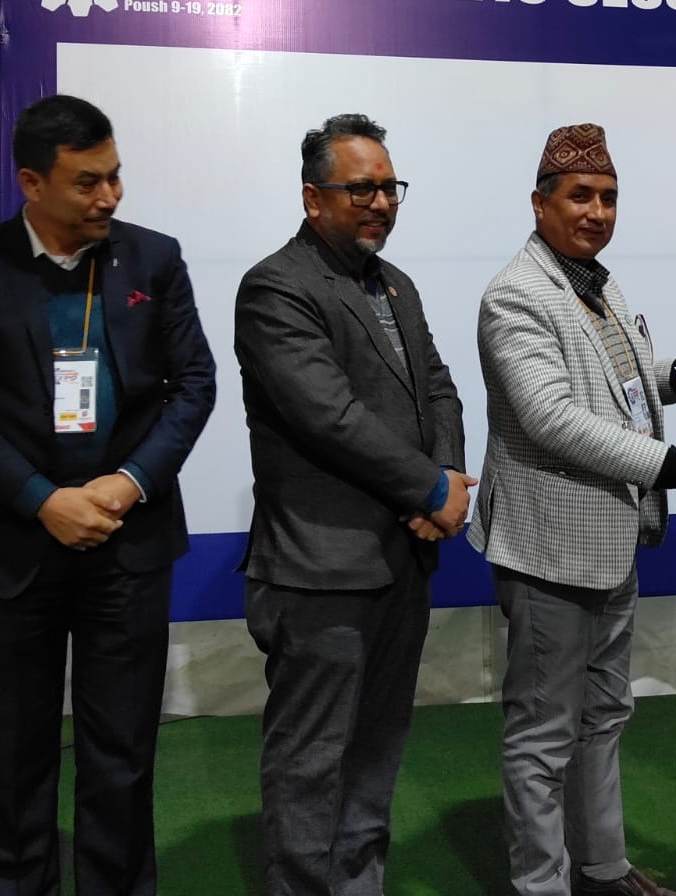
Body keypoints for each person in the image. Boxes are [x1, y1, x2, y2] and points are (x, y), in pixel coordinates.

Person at [0, 94, 216, 895]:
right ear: (32, 183)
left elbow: (194, 384)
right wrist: (43, 499)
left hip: (128, 541)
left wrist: (127, 483)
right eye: (88, 182)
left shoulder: (153, 259)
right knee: (13, 757)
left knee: (122, 755)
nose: (109, 196)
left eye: (115, 176)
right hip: (12, 544)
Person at [466, 123, 676, 896]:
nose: (597, 212)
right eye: (580, 196)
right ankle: (542, 885)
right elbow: (552, 418)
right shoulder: (516, 295)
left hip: (611, 541)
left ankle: (604, 870)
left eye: (609, 198)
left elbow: (616, 381)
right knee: (543, 733)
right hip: (549, 550)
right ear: (540, 204)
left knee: (604, 714)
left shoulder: (595, 282)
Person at [233, 113, 473, 896]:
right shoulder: (276, 286)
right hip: (319, 570)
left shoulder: (396, 283)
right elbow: (328, 417)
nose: (380, 202)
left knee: (377, 749)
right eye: (361, 188)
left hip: (403, 560)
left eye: (389, 187)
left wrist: (448, 474)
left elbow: (439, 388)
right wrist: (429, 490)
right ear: (313, 197)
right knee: (310, 762)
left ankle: (360, 884)